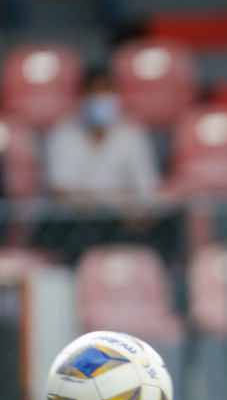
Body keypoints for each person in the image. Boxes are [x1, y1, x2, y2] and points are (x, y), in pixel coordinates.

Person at [39, 67, 166, 264]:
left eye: (106, 92)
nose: (100, 99)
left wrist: (95, 199)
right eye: (94, 93)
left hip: (124, 225)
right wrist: (116, 198)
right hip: (78, 227)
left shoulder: (133, 134)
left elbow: (146, 191)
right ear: (82, 97)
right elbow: (62, 193)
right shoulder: (63, 134)